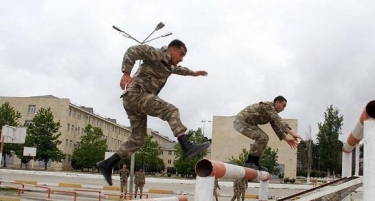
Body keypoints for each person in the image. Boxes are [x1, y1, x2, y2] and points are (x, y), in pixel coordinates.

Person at [97, 39, 211, 186]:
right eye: (181, 54)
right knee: (171, 110)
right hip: (136, 94)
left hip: (134, 101)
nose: (181, 59)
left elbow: (179, 70)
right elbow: (133, 50)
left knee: (138, 139)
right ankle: (186, 146)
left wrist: (193, 73)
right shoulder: (156, 53)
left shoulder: (169, 66)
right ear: (172, 50)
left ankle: (107, 164)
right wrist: (126, 73)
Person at [233, 96, 302, 170]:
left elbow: (277, 128)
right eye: (283, 106)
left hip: (248, 124)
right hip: (240, 122)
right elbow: (279, 120)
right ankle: (249, 162)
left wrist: (287, 139)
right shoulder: (268, 106)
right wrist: (292, 134)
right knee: (262, 137)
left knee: (264, 138)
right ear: (277, 102)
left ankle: (255, 162)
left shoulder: (271, 113)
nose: (283, 109)